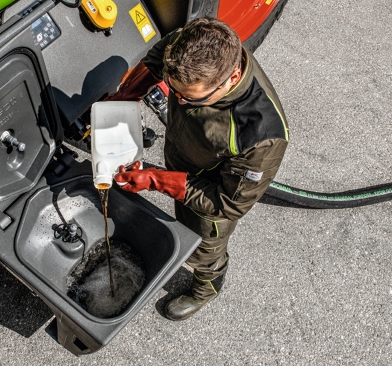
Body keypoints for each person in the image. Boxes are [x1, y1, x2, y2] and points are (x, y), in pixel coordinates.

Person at [109, 17, 289, 321]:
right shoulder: (189, 45)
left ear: (231, 79)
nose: (178, 102)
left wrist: (155, 179)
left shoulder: (260, 135)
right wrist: (120, 99)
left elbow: (227, 204)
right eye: (173, 91)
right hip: (184, 157)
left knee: (203, 249)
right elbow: (155, 62)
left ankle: (206, 289)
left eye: (190, 98)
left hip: (209, 196)